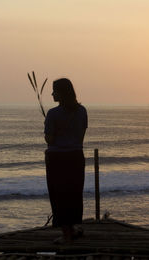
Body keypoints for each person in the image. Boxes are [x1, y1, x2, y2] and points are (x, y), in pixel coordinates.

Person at [44, 78, 88, 244]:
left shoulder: (52, 114)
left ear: (62, 92)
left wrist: (50, 132)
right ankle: (73, 229)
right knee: (74, 194)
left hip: (57, 159)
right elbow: (80, 137)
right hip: (76, 157)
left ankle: (66, 235)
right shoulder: (82, 111)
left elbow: (49, 140)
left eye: (54, 90)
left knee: (59, 196)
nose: (52, 93)